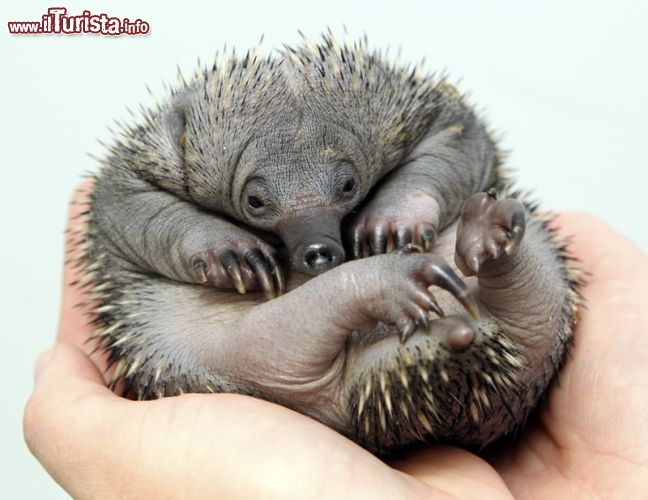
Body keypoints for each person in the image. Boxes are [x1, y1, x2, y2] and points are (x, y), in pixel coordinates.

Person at [24, 188, 648, 499]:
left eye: (343, 185)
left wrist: (412, 196)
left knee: (495, 230)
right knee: (206, 339)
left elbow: (446, 150)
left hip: (324, 376)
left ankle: (478, 280)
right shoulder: (148, 185)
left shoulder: (404, 122)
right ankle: (475, 288)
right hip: (286, 383)